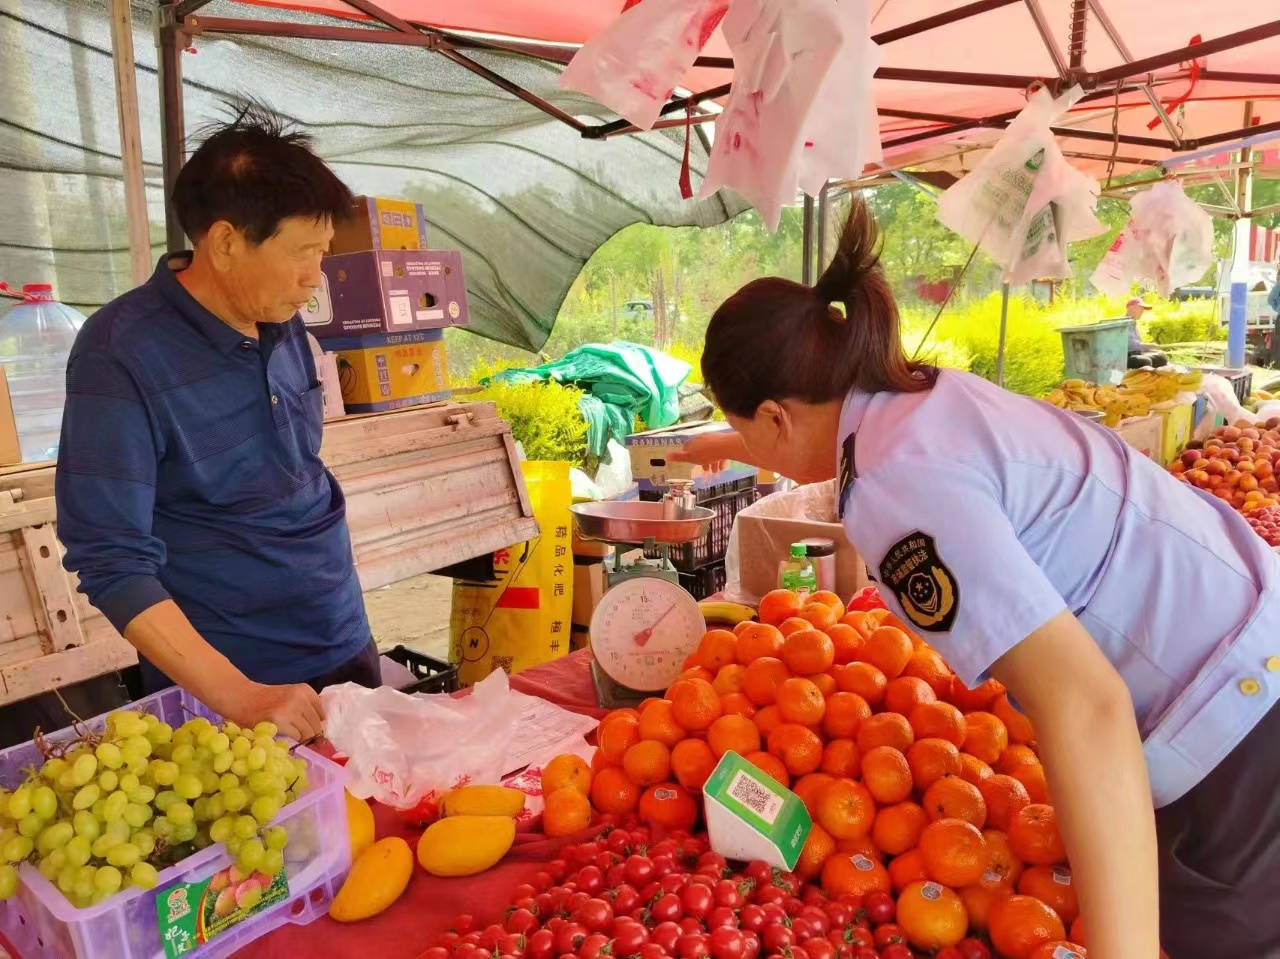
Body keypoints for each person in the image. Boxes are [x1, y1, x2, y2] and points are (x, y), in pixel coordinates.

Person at [673, 201, 1279, 959]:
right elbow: (803, 435)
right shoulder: (915, 397)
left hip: (1243, 733)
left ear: (774, 415)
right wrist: (719, 440)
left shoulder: (895, 487)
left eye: (751, 433)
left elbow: (1087, 706)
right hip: (1250, 647)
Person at [56, 105, 378, 742]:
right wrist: (242, 695)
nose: (316, 280)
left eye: (324, 253)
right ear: (226, 242)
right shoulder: (118, 352)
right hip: (229, 690)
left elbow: (295, 471)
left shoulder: (279, 318)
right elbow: (111, 559)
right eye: (304, 254)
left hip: (342, 636)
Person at [1125, 297, 1168, 369]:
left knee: (1161, 358)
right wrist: (1150, 345)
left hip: (1136, 354)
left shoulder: (1133, 324)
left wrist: (1153, 349)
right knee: (1145, 361)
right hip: (1125, 356)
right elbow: (1131, 345)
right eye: (1140, 309)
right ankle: (1140, 380)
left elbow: (1139, 346)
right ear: (1132, 308)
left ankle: (1154, 380)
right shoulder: (1123, 324)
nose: (1142, 312)